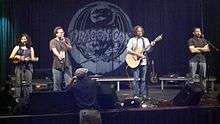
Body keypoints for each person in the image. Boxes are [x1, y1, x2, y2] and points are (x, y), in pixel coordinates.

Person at [126, 25, 155, 99]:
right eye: (138, 31)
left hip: (143, 62)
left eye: (141, 31)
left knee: (143, 79)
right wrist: (138, 54)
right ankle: (136, 94)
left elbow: (149, 50)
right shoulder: (132, 40)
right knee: (136, 79)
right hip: (135, 61)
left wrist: (151, 46)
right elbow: (128, 49)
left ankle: (143, 95)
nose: (140, 32)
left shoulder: (145, 40)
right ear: (135, 32)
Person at [9, 33, 38, 101]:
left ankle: (28, 98)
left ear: (27, 40)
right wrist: (17, 56)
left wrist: (29, 59)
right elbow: (11, 57)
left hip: (28, 67)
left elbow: (33, 58)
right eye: (22, 39)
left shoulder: (31, 48)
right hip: (19, 66)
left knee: (28, 83)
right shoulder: (17, 47)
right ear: (20, 40)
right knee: (18, 83)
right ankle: (17, 98)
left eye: (25, 39)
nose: (24, 40)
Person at [49, 26, 73, 91]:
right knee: (57, 83)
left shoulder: (67, 40)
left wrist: (64, 42)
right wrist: (59, 56)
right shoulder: (53, 41)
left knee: (69, 83)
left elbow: (70, 49)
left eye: (63, 32)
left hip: (67, 64)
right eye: (61, 32)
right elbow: (54, 50)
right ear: (56, 34)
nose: (62, 34)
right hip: (57, 65)